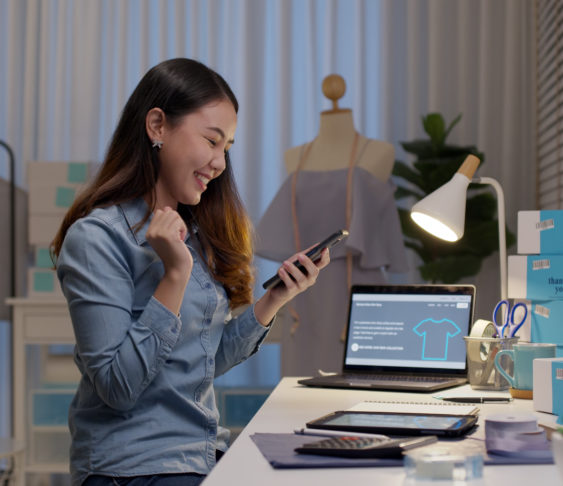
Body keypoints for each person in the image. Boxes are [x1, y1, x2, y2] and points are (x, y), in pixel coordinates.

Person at [51, 58, 330, 486]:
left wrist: (275, 298)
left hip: (199, 454)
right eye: (212, 140)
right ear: (157, 126)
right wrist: (174, 275)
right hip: (131, 468)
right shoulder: (97, 240)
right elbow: (117, 387)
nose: (219, 163)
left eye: (228, 148)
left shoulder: (193, 234)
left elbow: (200, 361)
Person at [255, 74, 407, 377]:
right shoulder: (295, 156)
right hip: (304, 293)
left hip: (360, 288)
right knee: (301, 389)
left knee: (368, 388)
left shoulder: (378, 153)